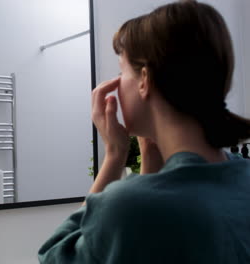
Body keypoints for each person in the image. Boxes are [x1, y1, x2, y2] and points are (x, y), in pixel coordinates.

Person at [39, 1, 250, 263]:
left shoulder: (129, 206)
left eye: (121, 71)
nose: (116, 83)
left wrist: (115, 155)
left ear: (145, 81)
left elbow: (53, 256)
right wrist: (149, 169)